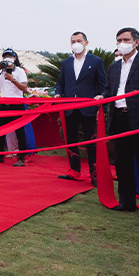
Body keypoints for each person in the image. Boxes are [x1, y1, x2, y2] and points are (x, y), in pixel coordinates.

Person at [100, 27, 139, 215]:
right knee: (122, 162)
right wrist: (101, 97)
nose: (122, 43)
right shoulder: (114, 66)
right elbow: (110, 90)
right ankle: (127, 201)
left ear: (136, 42)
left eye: (126, 40)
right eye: (119, 40)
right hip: (119, 118)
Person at [55, 31, 106, 183]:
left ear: (86, 42)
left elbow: (102, 84)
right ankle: (74, 171)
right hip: (70, 108)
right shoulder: (66, 63)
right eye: (73, 41)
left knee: (91, 142)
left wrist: (101, 97)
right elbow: (61, 83)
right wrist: (58, 94)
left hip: (88, 108)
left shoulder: (96, 61)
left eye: (78, 40)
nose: (75, 43)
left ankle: (94, 175)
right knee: (71, 141)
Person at [0, 49, 31, 167]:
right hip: (3, 104)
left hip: (17, 105)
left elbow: (24, 88)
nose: (7, 59)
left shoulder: (20, 71)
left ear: (15, 58)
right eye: (5, 57)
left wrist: (13, 80)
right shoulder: (1, 71)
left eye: (9, 56)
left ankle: (21, 158)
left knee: (20, 132)